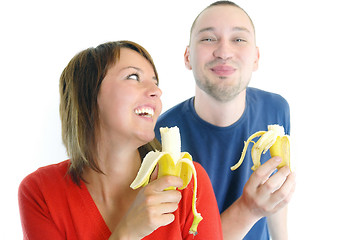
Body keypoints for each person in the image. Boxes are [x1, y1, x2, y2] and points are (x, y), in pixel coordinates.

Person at [18, 40, 223, 240]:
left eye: (155, 82)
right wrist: (127, 232)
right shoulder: (40, 192)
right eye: (133, 77)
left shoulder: (188, 182)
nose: (156, 91)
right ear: (88, 95)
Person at [155, 1, 296, 240]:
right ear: (188, 57)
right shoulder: (158, 136)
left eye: (238, 39)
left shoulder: (277, 109)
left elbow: (277, 193)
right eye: (208, 39)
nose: (223, 52)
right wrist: (248, 209)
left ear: (256, 58)